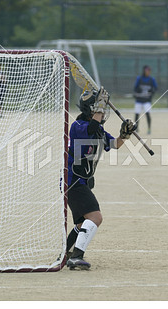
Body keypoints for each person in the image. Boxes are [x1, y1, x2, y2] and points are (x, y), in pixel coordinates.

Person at [65, 87, 136, 270]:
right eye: (99, 109)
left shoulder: (99, 131)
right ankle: (76, 257)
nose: (103, 112)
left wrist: (125, 134)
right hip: (73, 180)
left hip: (82, 182)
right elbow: (91, 128)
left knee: (82, 223)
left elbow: (114, 145)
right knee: (95, 217)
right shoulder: (78, 126)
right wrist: (99, 107)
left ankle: (66, 253)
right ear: (90, 110)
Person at [133, 65, 157, 135]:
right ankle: (136, 128)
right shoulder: (139, 78)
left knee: (147, 114)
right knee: (137, 114)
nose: (148, 72)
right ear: (144, 71)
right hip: (139, 100)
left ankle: (149, 128)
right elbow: (135, 88)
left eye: (149, 71)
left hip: (147, 100)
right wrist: (137, 92)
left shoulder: (151, 79)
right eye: (147, 70)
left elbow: (155, 88)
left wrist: (152, 91)